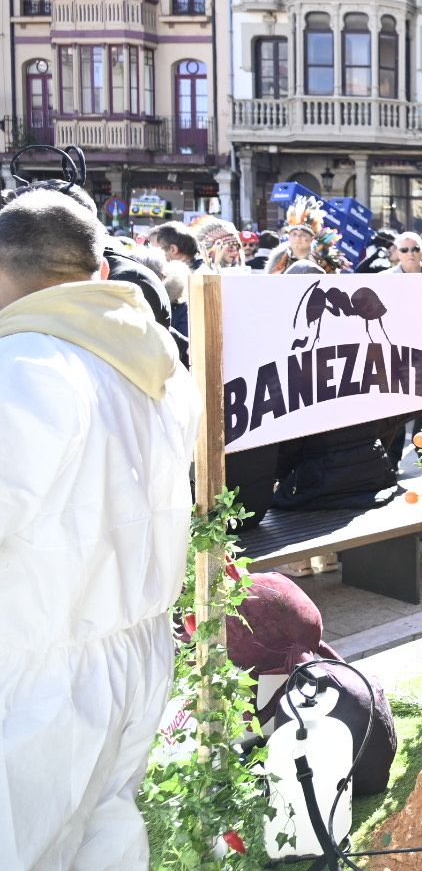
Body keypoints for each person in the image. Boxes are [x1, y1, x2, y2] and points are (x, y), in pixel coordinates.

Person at [0, 189, 200, 868]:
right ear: (98, 272)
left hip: (41, 664)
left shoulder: (26, 366)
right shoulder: (157, 368)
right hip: (131, 652)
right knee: (107, 836)